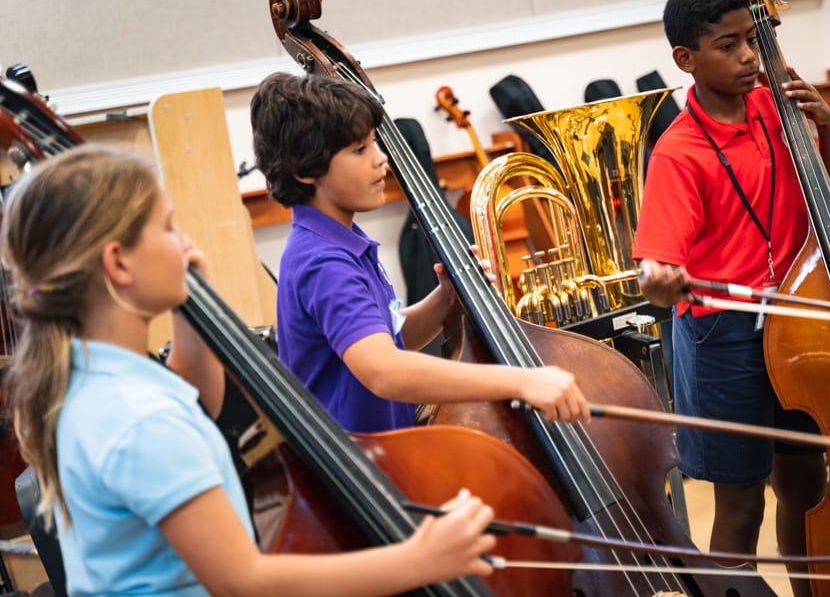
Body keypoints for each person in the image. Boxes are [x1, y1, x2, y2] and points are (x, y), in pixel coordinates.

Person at [0, 145, 498, 596]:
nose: (186, 242)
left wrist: (192, 309)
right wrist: (419, 559)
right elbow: (245, 581)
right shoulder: (140, 419)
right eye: (168, 227)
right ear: (119, 265)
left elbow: (198, 399)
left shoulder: (96, 378)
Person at [632, 0, 830, 596]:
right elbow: (658, 271)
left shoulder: (776, 107)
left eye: (751, 40)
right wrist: (658, 278)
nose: (750, 56)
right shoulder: (679, 152)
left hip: (798, 321)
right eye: (728, 46)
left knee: (806, 487)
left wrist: (827, 129)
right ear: (686, 58)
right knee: (739, 507)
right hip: (724, 336)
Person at [249, 72, 589, 434]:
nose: (382, 160)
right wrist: (520, 381)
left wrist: (444, 300)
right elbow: (383, 370)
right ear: (305, 170)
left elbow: (385, 339)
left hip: (390, 452)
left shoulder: (338, 240)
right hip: (365, 471)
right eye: (360, 149)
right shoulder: (324, 262)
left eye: (375, 144)